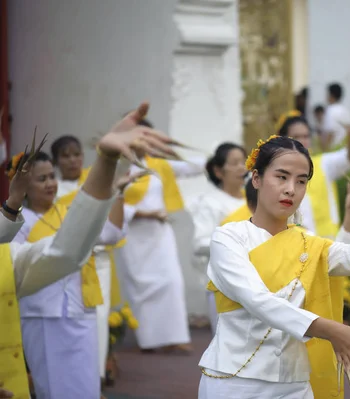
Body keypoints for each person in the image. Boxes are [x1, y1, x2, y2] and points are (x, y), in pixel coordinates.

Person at [197, 134, 350, 398]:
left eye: (301, 181)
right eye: (281, 177)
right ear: (256, 178)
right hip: (234, 381)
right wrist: (329, 329)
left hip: (294, 383)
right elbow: (258, 300)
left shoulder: (309, 244)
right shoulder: (228, 238)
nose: (291, 188)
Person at [0, 101, 179, 398]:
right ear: (21, 185)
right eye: (40, 178)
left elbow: (83, 242)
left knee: (85, 387)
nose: (49, 184)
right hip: (42, 311)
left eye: (50, 177)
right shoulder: (23, 221)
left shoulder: (59, 209)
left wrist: (110, 169)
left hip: (79, 304)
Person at [51, 134, 131, 384]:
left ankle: (94, 378)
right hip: (64, 264)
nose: (73, 160)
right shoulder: (52, 189)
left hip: (98, 263)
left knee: (97, 320)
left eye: (77, 154)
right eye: (66, 155)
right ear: (56, 161)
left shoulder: (97, 183)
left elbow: (115, 226)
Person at [119, 124, 206, 353]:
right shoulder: (119, 167)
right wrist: (143, 213)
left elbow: (191, 167)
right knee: (142, 289)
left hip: (159, 235)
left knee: (171, 281)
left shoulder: (158, 165)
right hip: (133, 236)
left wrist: (222, 158)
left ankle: (173, 337)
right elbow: (112, 199)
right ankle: (149, 340)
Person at [189, 143, 247, 333]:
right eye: (235, 163)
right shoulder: (211, 203)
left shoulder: (254, 199)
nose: (242, 167)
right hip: (224, 283)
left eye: (243, 162)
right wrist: (235, 241)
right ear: (218, 171)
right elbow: (199, 243)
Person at [322, 83, 350, 150]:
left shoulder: (331, 110)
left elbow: (330, 133)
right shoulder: (345, 110)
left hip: (334, 150)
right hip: (345, 149)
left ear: (331, 95)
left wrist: (325, 150)